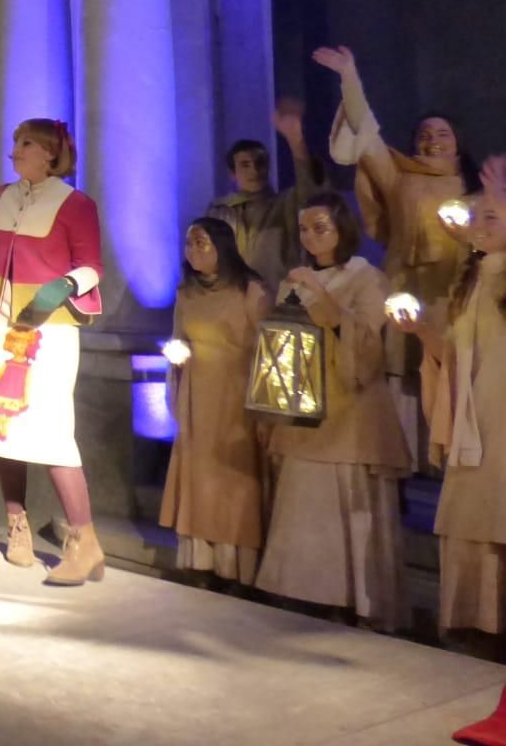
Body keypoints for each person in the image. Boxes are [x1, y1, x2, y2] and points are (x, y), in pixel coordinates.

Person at [254, 193, 410, 631]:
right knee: (305, 508)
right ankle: (304, 595)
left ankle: (355, 602)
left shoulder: (366, 278)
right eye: (304, 228)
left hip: (352, 414)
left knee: (349, 513)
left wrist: (321, 295)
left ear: (342, 229)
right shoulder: (292, 283)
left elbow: (367, 349)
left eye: (320, 227)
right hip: (307, 415)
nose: (310, 236)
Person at [0, 119, 106, 586]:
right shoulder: (2, 197)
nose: (14, 151)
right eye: (14, 142)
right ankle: (16, 527)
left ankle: (85, 542)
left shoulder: (76, 204)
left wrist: (64, 285)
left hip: (49, 330)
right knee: (5, 429)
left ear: (50, 152)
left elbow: (92, 268)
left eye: (25, 143)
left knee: (51, 432)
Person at [315, 45, 474, 455]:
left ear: (458, 143)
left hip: (454, 292)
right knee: (402, 375)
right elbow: (365, 133)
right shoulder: (399, 179)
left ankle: (452, 462)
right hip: (405, 286)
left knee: (452, 371)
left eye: (442, 133)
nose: (432, 140)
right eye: (424, 134)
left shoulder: (475, 191)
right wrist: (349, 75)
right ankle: (406, 466)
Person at [397, 158, 506, 636]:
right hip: (474, 422)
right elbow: (455, 356)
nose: (478, 226)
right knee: (470, 517)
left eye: (492, 218)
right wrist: (420, 329)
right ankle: (473, 624)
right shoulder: (472, 280)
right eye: (477, 215)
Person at [158, 218, 270, 586]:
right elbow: (178, 336)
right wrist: (178, 356)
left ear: (222, 245)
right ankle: (200, 561)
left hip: (237, 395)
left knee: (233, 478)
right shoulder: (187, 293)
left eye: (202, 243)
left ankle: (235, 566)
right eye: (189, 244)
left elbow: (268, 349)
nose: (193, 251)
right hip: (197, 394)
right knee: (200, 476)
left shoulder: (249, 290)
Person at [205, 104, 326, 291]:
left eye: (260, 163)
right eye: (245, 165)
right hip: (232, 302)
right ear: (232, 173)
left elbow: (310, 192)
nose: (254, 170)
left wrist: (295, 140)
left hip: (280, 301)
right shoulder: (219, 212)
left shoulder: (285, 205)